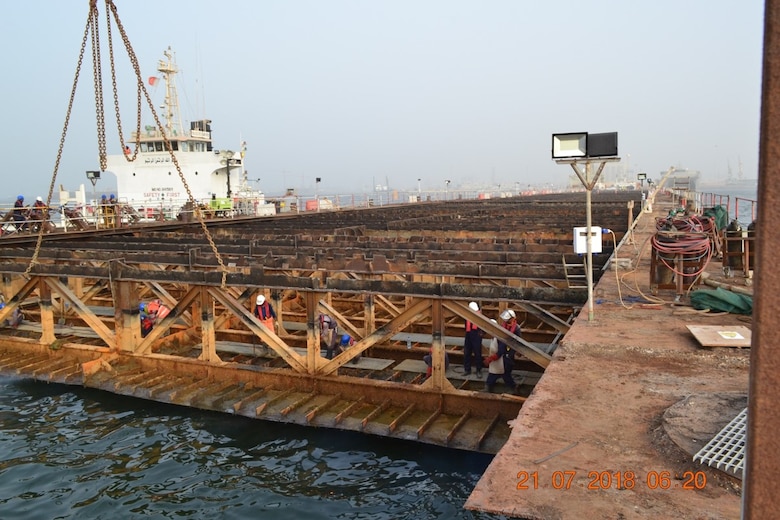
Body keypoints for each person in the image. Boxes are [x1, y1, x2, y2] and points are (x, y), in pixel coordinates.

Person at [484, 310, 520, 393]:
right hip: (500, 355)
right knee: (496, 373)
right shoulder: (502, 329)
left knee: (505, 373)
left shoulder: (516, 329)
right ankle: (489, 386)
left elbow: (501, 350)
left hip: (506, 355)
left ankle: (512, 388)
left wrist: (490, 359)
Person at [462, 301, 483, 377]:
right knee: (467, 353)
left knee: (477, 353)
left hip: (476, 335)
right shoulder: (467, 315)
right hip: (468, 334)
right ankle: (467, 369)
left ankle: (478, 370)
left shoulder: (480, 316)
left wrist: (481, 333)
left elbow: (484, 326)